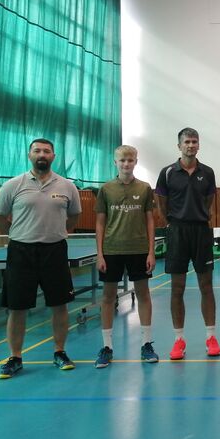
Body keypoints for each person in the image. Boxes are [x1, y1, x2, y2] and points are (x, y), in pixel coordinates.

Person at [0, 138, 82, 379]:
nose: (42, 154)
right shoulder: (13, 185)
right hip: (21, 252)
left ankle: (60, 352)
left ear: (53, 156)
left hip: (55, 251)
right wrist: (18, 233)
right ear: (29, 155)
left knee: (60, 305)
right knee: (17, 307)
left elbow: (74, 217)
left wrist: (55, 232)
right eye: (37, 151)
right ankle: (15, 357)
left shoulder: (67, 186)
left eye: (46, 151)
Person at [156, 128, 220, 358]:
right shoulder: (167, 172)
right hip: (177, 232)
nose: (191, 145)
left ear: (198, 145)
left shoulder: (208, 172)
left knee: (206, 286)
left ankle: (211, 337)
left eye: (194, 141)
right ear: (179, 145)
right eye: (187, 142)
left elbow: (209, 200)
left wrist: (197, 216)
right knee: (177, 287)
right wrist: (172, 223)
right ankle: (178, 340)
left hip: (201, 231)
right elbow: (161, 203)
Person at [94, 145, 159, 368]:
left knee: (144, 295)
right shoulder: (106, 189)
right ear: (115, 162)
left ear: (136, 162)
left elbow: (150, 220)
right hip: (111, 250)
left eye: (130, 160)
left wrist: (151, 251)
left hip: (139, 250)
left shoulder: (145, 188)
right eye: (122, 160)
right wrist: (100, 253)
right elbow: (100, 223)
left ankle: (146, 343)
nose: (126, 164)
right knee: (108, 297)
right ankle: (107, 346)